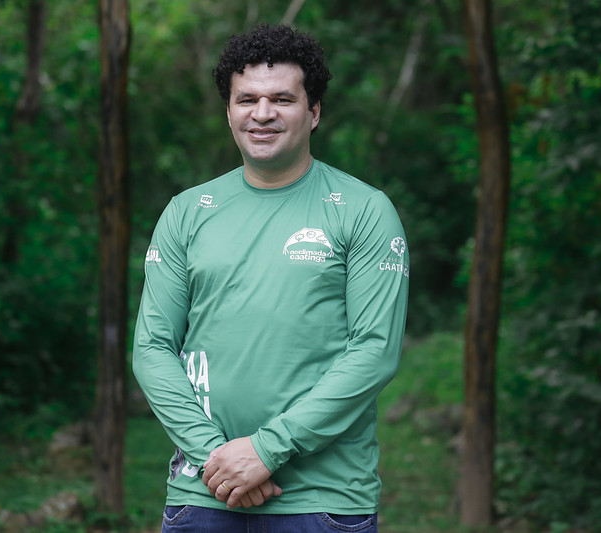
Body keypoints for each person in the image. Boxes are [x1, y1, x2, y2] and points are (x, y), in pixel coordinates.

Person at [133, 23, 409, 533]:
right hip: (203, 489)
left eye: (282, 98)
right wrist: (216, 455)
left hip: (322, 496)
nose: (262, 114)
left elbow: (374, 351)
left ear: (314, 111)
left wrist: (267, 448)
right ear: (229, 111)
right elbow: (152, 348)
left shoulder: (364, 210)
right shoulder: (187, 211)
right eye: (247, 99)